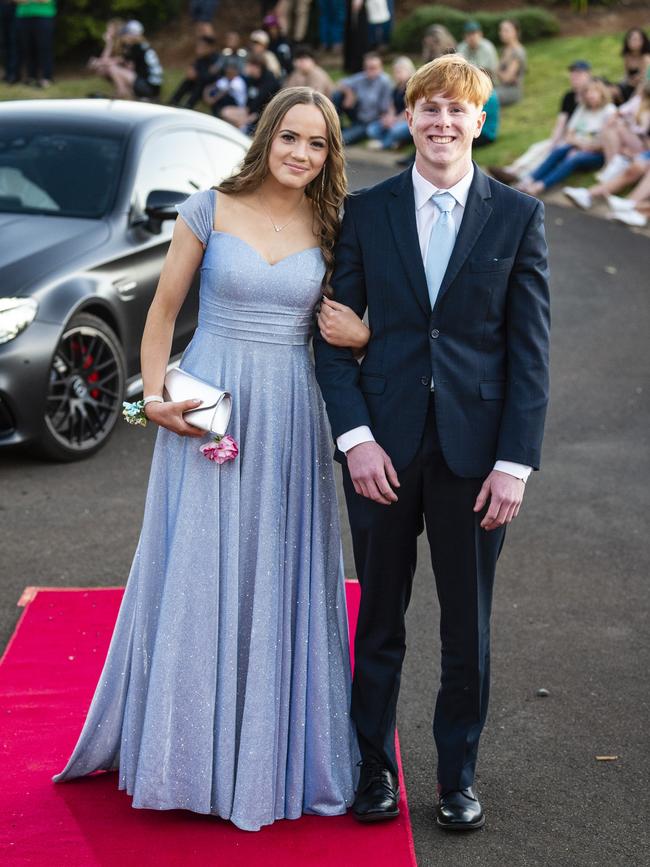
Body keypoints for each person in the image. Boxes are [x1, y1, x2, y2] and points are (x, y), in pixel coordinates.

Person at [52, 86, 370, 831]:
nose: (301, 153)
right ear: (267, 137)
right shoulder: (208, 206)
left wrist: (363, 336)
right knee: (195, 568)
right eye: (290, 137)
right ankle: (183, 756)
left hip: (290, 413)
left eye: (317, 144)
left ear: (330, 155)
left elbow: (356, 324)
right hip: (207, 412)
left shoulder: (334, 225)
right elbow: (161, 313)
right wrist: (150, 400)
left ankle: (266, 754)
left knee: (275, 569)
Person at [314, 54, 550, 830]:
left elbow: (529, 352)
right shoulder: (366, 210)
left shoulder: (517, 216)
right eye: (429, 109)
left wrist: (514, 463)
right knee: (379, 616)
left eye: (458, 110)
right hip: (380, 451)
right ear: (407, 118)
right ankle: (374, 769)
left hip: (476, 459)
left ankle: (456, 777)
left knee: (465, 627)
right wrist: (355, 440)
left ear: (481, 121)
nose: (443, 123)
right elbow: (330, 337)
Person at [489, 60, 592, 185]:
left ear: (588, 75)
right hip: (566, 137)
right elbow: (561, 122)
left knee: (549, 153)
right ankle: (512, 170)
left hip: (581, 140)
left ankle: (521, 176)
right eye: (573, 73)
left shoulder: (592, 97)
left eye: (579, 73)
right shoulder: (569, 97)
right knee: (539, 148)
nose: (575, 76)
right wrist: (554, 141)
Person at [519, 78, 615, 195]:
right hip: (576, 146)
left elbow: (605, 142)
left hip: (596, 153)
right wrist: (578, 146)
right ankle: (530, 179)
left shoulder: (609, 111)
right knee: (558, 151)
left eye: (594, 92)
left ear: (602, 93)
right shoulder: (582, 109)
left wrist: (582, 148)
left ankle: (541, 185)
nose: (591, 95)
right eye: (588, 92)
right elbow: (569, 135)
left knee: (573, 158)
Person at [332, 51, 392, 145]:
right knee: (338, 95)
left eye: (374, 68)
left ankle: (345, 133)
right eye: (368, 68)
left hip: (370, 120)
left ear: (381, 68)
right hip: (358, 114)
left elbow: (386, 107)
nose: (370, 71)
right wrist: (349, 93)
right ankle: (335, 125)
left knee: (341, 140)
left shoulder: (385, 82)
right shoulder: (362, 77)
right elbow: (340, 83)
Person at [219, 55, 281, 134]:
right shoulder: (252, 79)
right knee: (225, 112)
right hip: (250, 111)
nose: (246, 68)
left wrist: (247, 120)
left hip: (264, 115)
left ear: (256, 66)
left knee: (240, 124)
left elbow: (264, 107)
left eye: (249, 65)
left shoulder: (269, 81)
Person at [106, 20, 163, 101]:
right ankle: (130, 96)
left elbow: (116, 62)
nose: (124, 37)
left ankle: (122, 93)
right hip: (154, 88)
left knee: (113, 68)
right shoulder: (144, 45)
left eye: (126, 34)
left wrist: (101, 62)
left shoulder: (136, 47)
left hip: (147, 88)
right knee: (125, 71)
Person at [366, 55, 415, 150]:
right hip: (395, 119)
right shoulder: (396, 88)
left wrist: (395, 120)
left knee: (395, 130)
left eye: (400, 71)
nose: (397, 74)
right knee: (371, 129)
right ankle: (396, 142)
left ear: (408, 71)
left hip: (406, 119)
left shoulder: (411, 88)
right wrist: (389, 117)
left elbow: (410, 109)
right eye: (395, 72)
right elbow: (391, 106)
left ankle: (384, 144)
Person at [169, 34, 220, 109]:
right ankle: (173, 102)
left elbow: (210, 77)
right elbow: (193, 70)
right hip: (199, 83)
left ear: (210, 47)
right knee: (187, 81)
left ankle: (188, 106)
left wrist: (197, 75)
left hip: (213, 88)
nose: (199, 48)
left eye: (202, 46)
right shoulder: (201, 58)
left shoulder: (216, 59)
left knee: (200, 83)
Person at [14, 0, 56, 87]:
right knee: (27, 48)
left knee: (44, 47)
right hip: (23, 15)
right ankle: (31, 76)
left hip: (44, 15)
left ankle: (47, 77)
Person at [495, 18, 526, 107]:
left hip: (512, 91)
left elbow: (507, 78)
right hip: (500, 87)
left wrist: (497, 71)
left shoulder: (518, 52)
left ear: (515, 32)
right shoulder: (505, 50)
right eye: (501, 30)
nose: (502, 33)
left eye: (506, 30)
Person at [615, 27, 650, 104]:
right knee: (614, 90)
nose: (633, 42)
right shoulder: (627, 56)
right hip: (629, 85)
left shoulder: (646, 58)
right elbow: (626, 75)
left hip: (642, 88)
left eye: (637, 39)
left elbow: (645, 79)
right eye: (631, 39)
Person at [1, 0, 17, 83]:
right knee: (4, 43)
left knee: (13, 42)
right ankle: (7, 73)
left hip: (13, 7)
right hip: (2, 7)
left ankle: (13, 74)